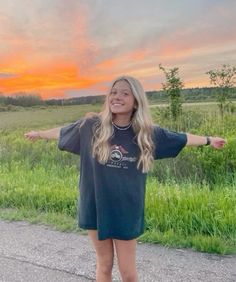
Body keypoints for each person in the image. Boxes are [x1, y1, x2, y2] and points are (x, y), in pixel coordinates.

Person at [25, 76, 226, 282]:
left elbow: (180, 137)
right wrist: (39, 133)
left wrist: (209, 140)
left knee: (128, 272)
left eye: (124, 93)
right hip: (95, 205)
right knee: (104, 265)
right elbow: (63, 132)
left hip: (126, 209)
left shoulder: (146, 134)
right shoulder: (91, 126)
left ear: (136, 100)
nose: (117, 97)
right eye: (113, 92)